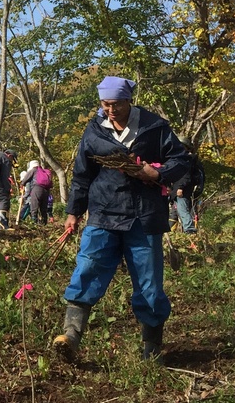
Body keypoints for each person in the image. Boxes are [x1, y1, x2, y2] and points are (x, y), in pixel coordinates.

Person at [53, 76, 191, 362]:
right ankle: (71, 335)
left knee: (149, 283)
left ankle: (151, 350)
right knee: (88, 268)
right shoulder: (94, 130)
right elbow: (82, 174)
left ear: (129, 100)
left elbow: (181, 160)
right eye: (105, 104)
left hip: (144, 216)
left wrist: (158, 173)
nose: (110, 110)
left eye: (116, 104)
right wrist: (73, 213)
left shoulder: (155, 128)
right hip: (103, 212)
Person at [172, 136, 205, 234]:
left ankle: (190, 230)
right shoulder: (189, 159)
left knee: (182, 209)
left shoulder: (186, 159)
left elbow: (186, 176)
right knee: (177, 210)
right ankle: (174, 231)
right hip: (184, 189)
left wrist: (180, 187)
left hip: (183, 189)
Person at [21, 159, 54, 224]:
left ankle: (34, 222)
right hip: (46, 191)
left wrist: (22, 184)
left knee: (34, 206)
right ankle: (44, 223)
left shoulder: (33, 170)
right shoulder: (45, 171)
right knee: (43, 208)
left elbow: (25, 179)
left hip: (37, 189)